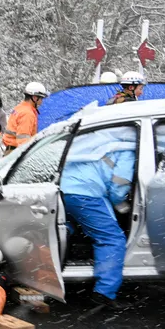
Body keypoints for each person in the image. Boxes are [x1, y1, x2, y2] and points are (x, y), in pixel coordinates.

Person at [59, 127, 137, 310]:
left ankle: (48, 275)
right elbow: (119, 184)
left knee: (63, 229)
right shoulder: (126, 148)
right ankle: (103, 294)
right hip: (87, 193)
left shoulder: (98, 139)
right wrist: (121, 205)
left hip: (63, 190)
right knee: (112, 239)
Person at [3, 82, 48, 155]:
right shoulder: (27, 113)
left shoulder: (20, 108)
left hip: (11, 149)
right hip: (16, 152)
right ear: (35, 98)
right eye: (41, 98)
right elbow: (23, 140)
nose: (42, 101)